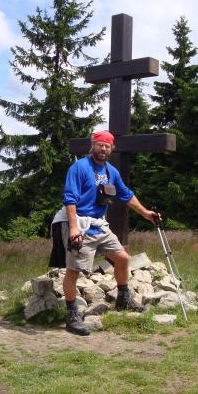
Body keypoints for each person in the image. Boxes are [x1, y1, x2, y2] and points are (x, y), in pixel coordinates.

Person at [51, 130, 158, 336]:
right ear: (93, 145)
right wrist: (73, 228)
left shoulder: (111, 172)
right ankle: (72, 315)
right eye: (100, 144)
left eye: (107, 146)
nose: (103, 148)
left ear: (111, 149)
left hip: (100, 226)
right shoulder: (79, 167)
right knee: (74, 271)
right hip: (81, 225)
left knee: (122, 258)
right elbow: (70, 198)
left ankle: (123, 299)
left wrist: (146, 213)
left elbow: (126, 195)